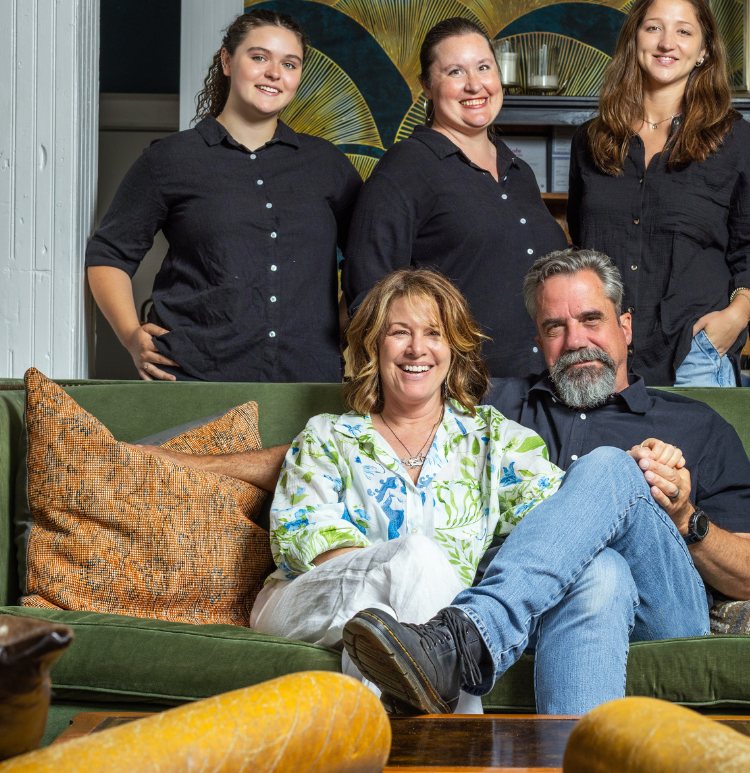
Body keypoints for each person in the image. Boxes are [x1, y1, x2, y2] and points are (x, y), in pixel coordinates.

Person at [135, 265, 685, 715]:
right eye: (400, 332)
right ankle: (455, 757)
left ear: (454, 350)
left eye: (433, 333)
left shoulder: (497, 439)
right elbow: (306, 543)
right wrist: (426, 577)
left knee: (600, 570)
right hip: (309, 598)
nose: (416, 348)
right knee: (416, 562)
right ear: (374, 346)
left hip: (388, 620)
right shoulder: (329, 436)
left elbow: (557, 532)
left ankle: (395, 767)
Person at [342, 248, 750, 716]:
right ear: (539, 339)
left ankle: (464, 639)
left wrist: (683, 516)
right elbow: (373, 441)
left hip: (663, 610)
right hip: (537, 611)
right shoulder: (496, 410)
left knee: (610, 466)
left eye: (592, 320)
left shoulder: (693, 423)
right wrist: (257, 460)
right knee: (601, 572)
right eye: (556, 327)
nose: (575, 340)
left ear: (625, 327)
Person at [86, 9, 361, 382]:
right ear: (228, 60)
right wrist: (131, 335)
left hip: (308, 383)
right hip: (195, 380)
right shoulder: (169, 159)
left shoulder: (327, 164)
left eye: (290, 64)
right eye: (259, 57)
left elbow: (370, 260)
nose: (274, 73)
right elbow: (109, 255)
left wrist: (338, 330)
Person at [567, 0, 750, 387]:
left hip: (693, 353)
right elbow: (582, 241)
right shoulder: (591, 140)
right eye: (653, 28)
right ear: (634, 40)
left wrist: (735, 318)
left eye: (684, 31)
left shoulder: (737, 141)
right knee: (603, 455)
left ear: (704, 51)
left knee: (691, 454)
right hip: (602, 354)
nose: (667, 43)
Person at [342, 17, 567, 378]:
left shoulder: (518, 171)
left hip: (540, 383)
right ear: (427, 87)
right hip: (460, 391)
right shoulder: (405, 168)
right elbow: (369, 297)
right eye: (455, 72)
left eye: (483, 67)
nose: (475, 84)